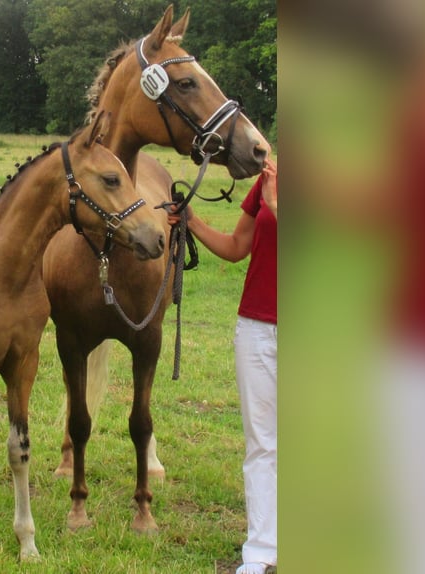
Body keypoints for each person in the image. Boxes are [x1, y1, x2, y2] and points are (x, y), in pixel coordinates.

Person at [169, 158, 277, 574]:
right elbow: (236, 249)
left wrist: (277, 205)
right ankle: (261, 550)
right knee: (261, 444)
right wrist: (192, 222)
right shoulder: (272, 179)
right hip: (256, 326)